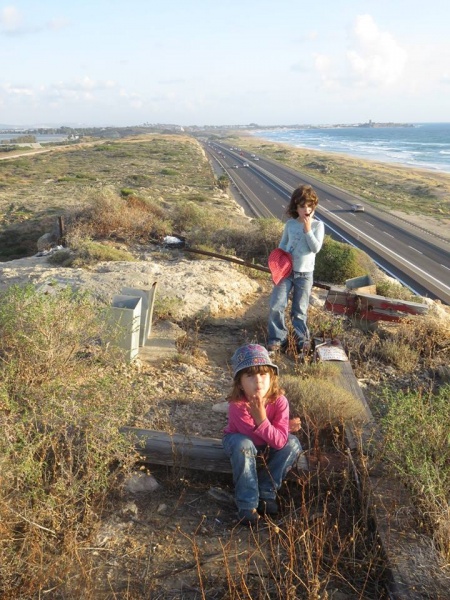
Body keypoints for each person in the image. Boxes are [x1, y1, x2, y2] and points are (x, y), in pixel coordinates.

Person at [222, 344, 302, 526]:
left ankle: (266, 492)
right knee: (244, 445)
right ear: (240, 384)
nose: (258, 381)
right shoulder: (238, 404)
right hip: (238, 441)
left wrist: (277, 429)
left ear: (272, 378)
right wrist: (264, 420)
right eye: (250, 375)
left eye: (263, 374)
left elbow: (280, 442)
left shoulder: (280, 401)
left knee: (293, 444)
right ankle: (247, 503)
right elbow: (255, 439)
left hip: (267, 443)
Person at [267, 184, 325, 354]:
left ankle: (301, 341)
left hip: (305, 274)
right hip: (286, 272)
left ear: (314, 206)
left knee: (299, 310)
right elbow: (282, 244)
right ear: (296, 207)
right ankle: (277, 339)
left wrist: (307, 230)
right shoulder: (290, 224)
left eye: (309, 206)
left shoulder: (317, 226)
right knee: (276, 305)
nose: (306, 209)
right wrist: (282, 258)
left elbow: (315, 248)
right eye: (302, 206)